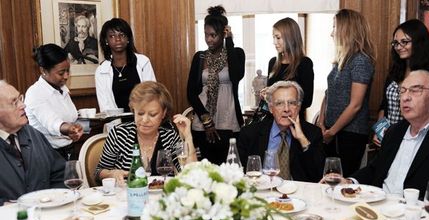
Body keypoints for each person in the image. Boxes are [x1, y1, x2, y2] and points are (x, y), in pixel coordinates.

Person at [344, 70, 429, 198]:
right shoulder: (394, 131)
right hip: (380, 206)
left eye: (414, 90)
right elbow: (375, 168)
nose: (405, 97)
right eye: (402, 91)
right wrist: (349, 182)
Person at [95, 82, 196, 184]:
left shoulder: (169, 136)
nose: (144, 120)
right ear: (133, 110)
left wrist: (187, 136)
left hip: (162, 197)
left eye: (152, 114)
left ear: (164, 113)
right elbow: (98, 172)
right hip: (127, 196)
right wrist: (112, 174)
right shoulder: (119, 134)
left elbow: (191, 175)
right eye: (140, 113)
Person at [317, 9, 376, 177]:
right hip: (330, 131)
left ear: (347, 30)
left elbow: (355, 104)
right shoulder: (339, 60)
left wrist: (332, 131)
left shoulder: (360, 61)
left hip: (350, 134)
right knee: (327, 179)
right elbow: (329, 93)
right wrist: (321, 122)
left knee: (343, 182)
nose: (331, 33)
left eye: (335, 27)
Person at [187, 5, 245, 165]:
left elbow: (236, 75)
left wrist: (230, 40)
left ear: (223, 33)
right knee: (206, 168)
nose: (209, 39)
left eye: (214, 35)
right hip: (203, 122)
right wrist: (207, 121)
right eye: (206, 35)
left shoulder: (237, 53)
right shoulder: (199, 57)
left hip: (228, 119)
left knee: (230, 168)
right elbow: (191, 92)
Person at [238, 81, 325, 182]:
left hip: (297, 194)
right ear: (271, 108)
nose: (286, 109)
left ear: (299, 107)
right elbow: (239, 174)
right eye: (279, 103)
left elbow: (319, 176)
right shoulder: (250, 133)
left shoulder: (313, 133)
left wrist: (302, 139)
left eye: (292, 103)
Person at [0, 80, 65, 206]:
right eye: (14, 102)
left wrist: (53, 199)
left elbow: (60, 173)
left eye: (20, 98)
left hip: (45, 215)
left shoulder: (33, 134)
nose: (22, 105)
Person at [373, 19, 429, 146]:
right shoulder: (395, 71)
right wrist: (379, 131)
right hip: (389, 139)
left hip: (417, 140)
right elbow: (384, 105)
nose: (399, 47)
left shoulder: (428, 74)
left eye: (404, 42)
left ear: (418, 42)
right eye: (396, 43)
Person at [25, 43, 83, 160]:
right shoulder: (35, 93)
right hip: (47, 155)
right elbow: (52, 122)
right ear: (43, 70)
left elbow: (71, 118)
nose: (66, 76)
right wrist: (68, 129)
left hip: (69, 150)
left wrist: (79, 126)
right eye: (61, 73)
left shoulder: (62, 89)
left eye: (68, 71)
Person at [96, 18, 156, 112]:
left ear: (128, 38)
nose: (118, 39)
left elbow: (153, 95)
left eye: (122, 35)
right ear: (106, 41)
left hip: (144, 119)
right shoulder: (101, 71)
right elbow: (104, 106)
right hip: (116, 123)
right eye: (112, 36)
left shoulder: (143, 62)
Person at [266, 17, 314, 119]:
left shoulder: (305, 63)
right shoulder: (272, 63)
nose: (274, 42)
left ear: (290, 38)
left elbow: (307, 101)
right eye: (273, 37)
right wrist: (266, 94)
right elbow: (270, 100)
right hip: (273, 122)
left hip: (294, 122)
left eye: (278, 38)